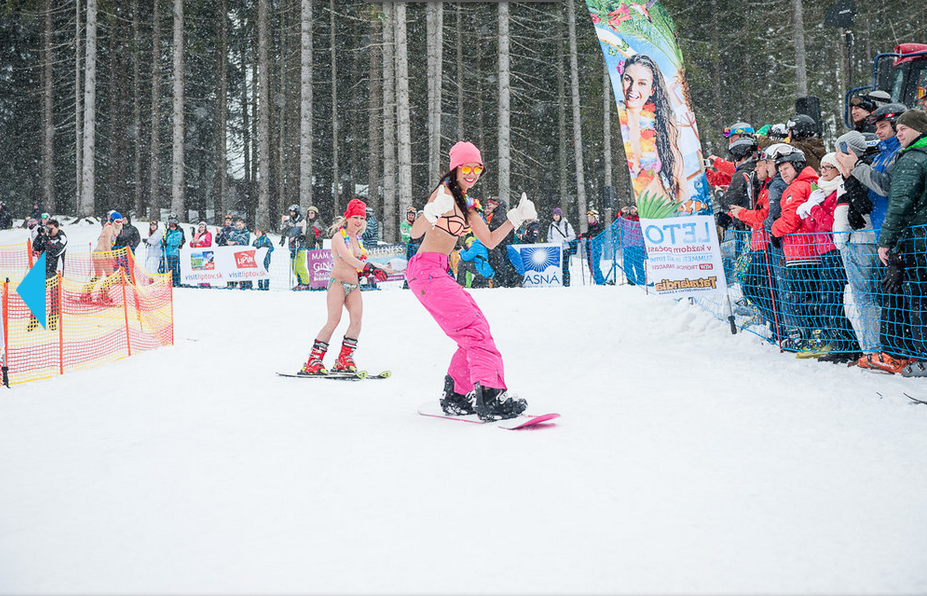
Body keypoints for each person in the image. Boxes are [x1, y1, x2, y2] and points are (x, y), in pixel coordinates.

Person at [407, 141, 536, 421]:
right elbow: (415, 233)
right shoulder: (442, 193)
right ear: (455, 167)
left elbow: (489, 241)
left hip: (439, 272)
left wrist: (516, 217)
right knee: (474, 329)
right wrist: (429, 212)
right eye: (466, 167)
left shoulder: (467, 204)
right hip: (425, 269)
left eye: (477, 168)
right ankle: (489, 394)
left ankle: (456, 394)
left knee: (474, 329)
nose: (472, 173)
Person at [299, 198, 388, 376]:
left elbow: (359, 262)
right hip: (338, 283)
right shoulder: (339, 237)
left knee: (357, 321)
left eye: (361, 218)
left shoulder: (358, 238)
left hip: (353, 285)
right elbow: (347, 258)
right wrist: (368, 267)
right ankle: (313, 361)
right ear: (347, 217)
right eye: (355, 217)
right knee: (334, 320)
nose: (358, 221)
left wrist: (374, 271)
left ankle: (344, 359)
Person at [794, 152, 860, 362]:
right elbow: (815, 227)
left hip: (835, 251)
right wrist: (808, 211)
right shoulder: (822, 191)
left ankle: (848, 344)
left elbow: (830, 224)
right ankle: (841, 342)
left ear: (838, 169)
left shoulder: (838, 191)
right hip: (823, 251)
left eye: (828, 167)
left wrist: (813, 208)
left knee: (832, 300)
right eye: (821, 167)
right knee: (827, 300)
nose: (822, 171)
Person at [876, 109, 927, 375]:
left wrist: (887, 241)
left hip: (919, 241)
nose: (898, 134)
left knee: (919, 300)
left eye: (903, 129)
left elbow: (900, 203)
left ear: (918, 129)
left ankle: (924, 358)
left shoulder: (912, 159)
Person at [770, 146, 821, 349]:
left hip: (800, 251)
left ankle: (811, 338)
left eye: (786, 167)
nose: (783, 172)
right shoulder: (814, 182)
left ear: (798, 166)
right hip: (814, 248)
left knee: (802, 297)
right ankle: (818, 335)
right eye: (780, 168)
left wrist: (774, 229)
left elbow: (790, 221)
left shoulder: (796, 188)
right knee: (816, 295)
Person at [730, 150, 782, 342]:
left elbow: (763, 218)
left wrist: (742, 214)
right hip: (759, 244)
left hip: (767, 244)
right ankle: (776, 326)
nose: (757, 169)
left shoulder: (772, 188)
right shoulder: (762, 186)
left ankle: (779, 326)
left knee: (760, 288)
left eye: (761, 165)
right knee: (755, 287)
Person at [618, 53, 684, 203]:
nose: (632, 88)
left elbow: (681, 183)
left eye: (642, 83)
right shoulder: (616, 124)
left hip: (662, 211)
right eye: (628, 79)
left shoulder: (664, 125)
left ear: (652, 89)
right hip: (633, 214)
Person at [26, 218, 67, 332]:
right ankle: (34, 321)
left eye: (51, 229)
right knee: (37, 296)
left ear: (57, 228)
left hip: (55, 271)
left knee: (54, 298)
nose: (49, 231)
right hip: (43, 269)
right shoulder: (46, 237)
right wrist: (40, 235)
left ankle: (52, 322)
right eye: (47, 228)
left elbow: (55, 252)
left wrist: (45, 239)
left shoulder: (62, 237)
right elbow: (35, 248)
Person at [84, 211, 124, 303]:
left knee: (98, 275)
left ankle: (86, 293)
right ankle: (102, 295)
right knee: (110, 276)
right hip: (102, 253)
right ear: (113, 221)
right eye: (117, 222)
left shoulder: (107, 228)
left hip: (97, 253)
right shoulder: (109, 228)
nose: (119, 224)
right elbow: (106, 242)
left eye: (121, 222)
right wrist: (110, 256)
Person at [483, 196, 519, 287]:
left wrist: (489, 229)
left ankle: (501, 284)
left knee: (499, 266)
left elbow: (498, 231)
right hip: (501, 244)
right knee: (500, 266)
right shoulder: (499, 213)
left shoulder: (499, 215)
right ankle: (503, 283)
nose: (489, 206)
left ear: (496, 205)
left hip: (498, 244)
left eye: (491, 204)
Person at [547, 207, 576, 287]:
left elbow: (573, 236)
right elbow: (549, 237)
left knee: (565, 267)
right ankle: (558, 283)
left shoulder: (567, 224)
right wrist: (552, 243)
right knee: (556, 268)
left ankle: (566, 283)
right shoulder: (551, 226)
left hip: (565, 249)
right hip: (555, 250)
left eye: (557, 215)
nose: (556, 216)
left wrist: (564, 240)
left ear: (560, 215)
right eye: (554, 215)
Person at [579, 209, 606, 285]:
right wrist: (583, 235)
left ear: (596, 218)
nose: (590, 220)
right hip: (589, 248)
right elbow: (589, 233)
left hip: (596, 248)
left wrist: (592, 237)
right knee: (591, 266)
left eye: (591, 218)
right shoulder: (590, 226)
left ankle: (601, 282)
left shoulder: (599, 226)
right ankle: (598, 281)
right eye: (588, 218)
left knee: (595, 266)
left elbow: (599, 235)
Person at [162, 214, 185, 288]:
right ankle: (170, 281)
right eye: (171, 225)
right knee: (168, 268)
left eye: (173, 225)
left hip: (174, 252)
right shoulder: (168, 231)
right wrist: (163, 241)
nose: (172, 227)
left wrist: (167, 241)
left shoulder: (179, 232)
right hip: (168, 252)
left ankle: (176, 281)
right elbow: (163, 239)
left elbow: (175, 241)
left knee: (174, 268)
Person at [228, 217, 252, 289]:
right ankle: (235, 283)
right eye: (237, 225)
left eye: (240, 224)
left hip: (243, 254)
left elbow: (244, 242)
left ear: (243, 224)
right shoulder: (234, 233)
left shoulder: (246, 233)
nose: (239, 226)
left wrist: (235, 242)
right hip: (235, 253)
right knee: (236, 269)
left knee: (245, 270)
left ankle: (247, 285)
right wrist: (229, 242)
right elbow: (230, 240)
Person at [252, 225, 274, 290]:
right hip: (258, 259)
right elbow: (252, 249)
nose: (258, 234)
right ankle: (260, 285)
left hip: (265, 259)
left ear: (262, 232)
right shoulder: (255, 241)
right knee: (259, 272)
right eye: (257, 232)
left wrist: (266, 250)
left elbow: (272, 248)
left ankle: (266, 285)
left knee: (265, 271)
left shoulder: (266, 240)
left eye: (259, 232)